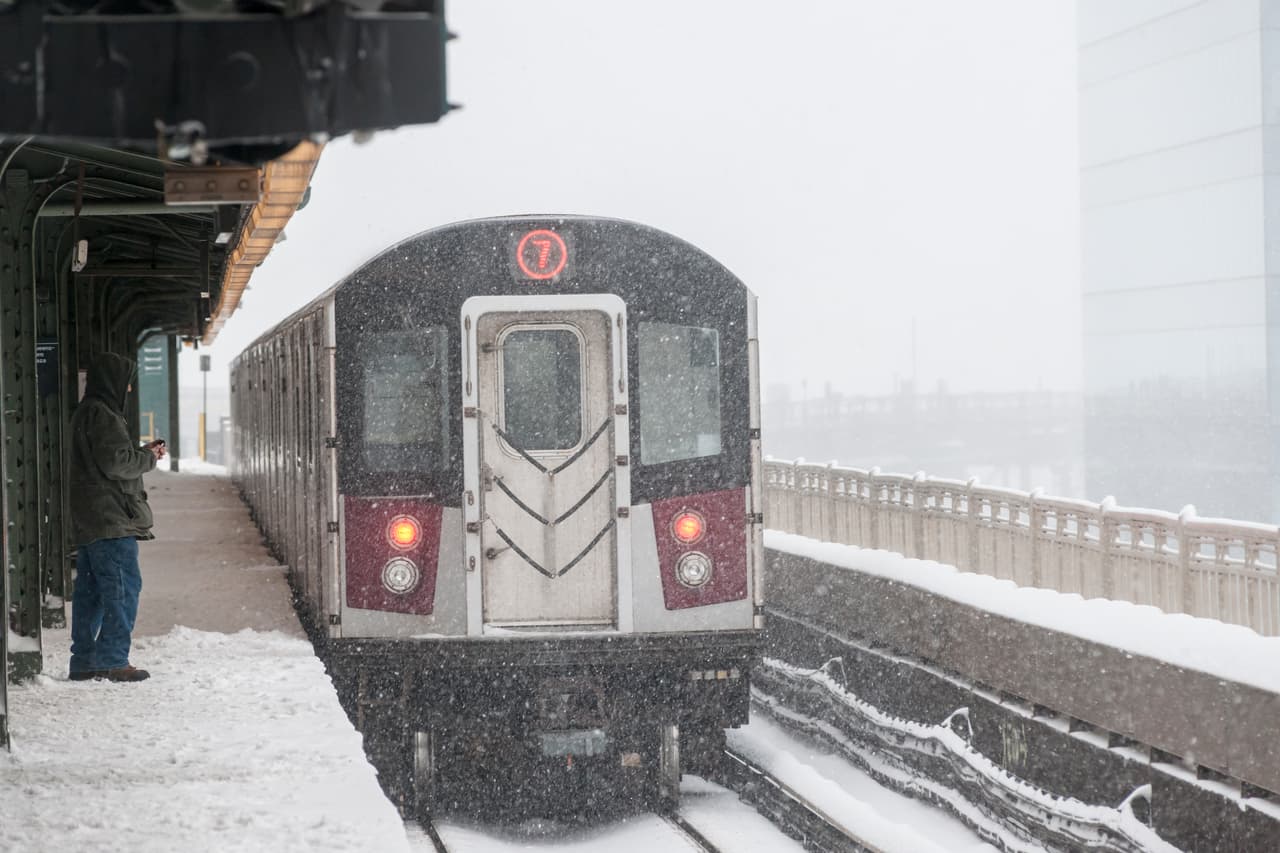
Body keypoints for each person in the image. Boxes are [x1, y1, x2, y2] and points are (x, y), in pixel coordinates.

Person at [67, 352, 166, 683]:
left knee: (91, 594)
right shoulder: (104, 414)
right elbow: (116, 463)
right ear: (113, 381)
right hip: (110, 518)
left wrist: (140, 452)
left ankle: (84, 662)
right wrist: (148, 458)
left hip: (91, 518)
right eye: (127, 382)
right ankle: (113, 659)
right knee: (122, 590)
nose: (129, 389)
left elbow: (109, 457)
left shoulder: (86, 412)